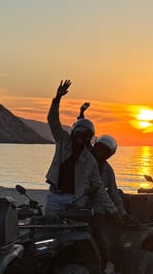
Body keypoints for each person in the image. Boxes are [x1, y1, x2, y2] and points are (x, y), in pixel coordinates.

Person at [43, 80, 118, 219]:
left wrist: (113, 211)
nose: (80, 138)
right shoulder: (63, 141)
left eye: (84, 136)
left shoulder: (89, 160)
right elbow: (52, 120)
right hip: (54, 195)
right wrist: (57, 99)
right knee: (46, 229)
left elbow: (100, 187)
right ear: (73, 132)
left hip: (74, 199)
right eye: (78, 134)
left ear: (88, 139)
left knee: (71, 235)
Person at [90, 133, 126, 274]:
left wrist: (122, 212)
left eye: (107, 152)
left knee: (99, 230)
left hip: (96, 207)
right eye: (100, 148)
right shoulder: (82, 160)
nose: (102, 153)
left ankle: (107, 262)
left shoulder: (107, 170)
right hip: (73, 202)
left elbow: (114, 193)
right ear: (95, 145)